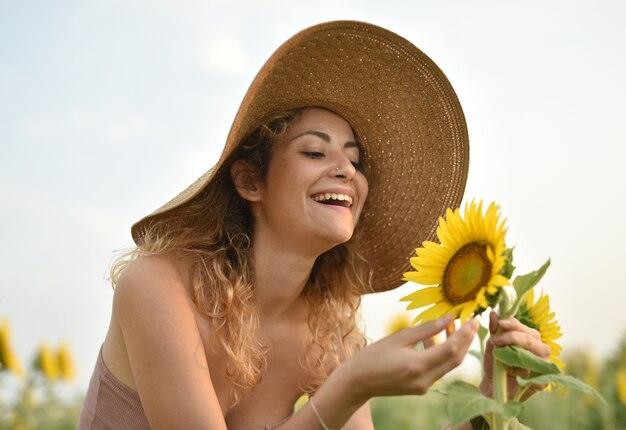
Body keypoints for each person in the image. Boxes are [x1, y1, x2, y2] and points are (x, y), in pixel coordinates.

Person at [78, 21, 550, 430]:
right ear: (249, 180)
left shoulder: (331, 332)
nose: (345, 170)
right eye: (314, 151)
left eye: (355, 159)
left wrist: (492, 397)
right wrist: (346, 388)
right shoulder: (158, 286)